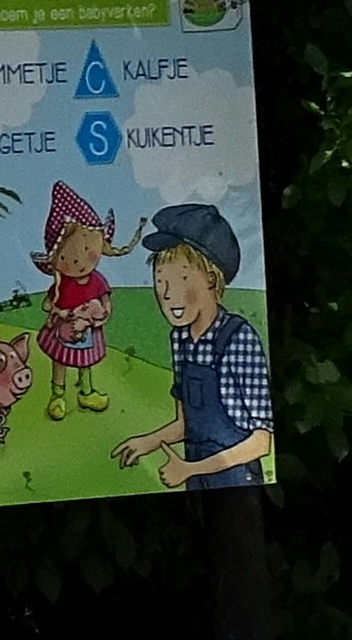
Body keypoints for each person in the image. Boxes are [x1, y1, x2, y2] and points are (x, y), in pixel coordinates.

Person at [112, 202, 271, 489]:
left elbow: (261, 441)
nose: (168, 294)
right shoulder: (180, 340)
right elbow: (186, 424)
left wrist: (190, 469)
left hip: (236, 479)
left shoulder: (239, 339)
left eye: (180, 279)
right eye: (160, 281)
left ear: (210, 279)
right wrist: (146, 442)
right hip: (194, 474)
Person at [12, 180, 126, 420]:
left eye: (88, 252)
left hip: (89, 331)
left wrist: (103, 315)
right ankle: (58, 396)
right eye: (70, 259)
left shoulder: (97, 281)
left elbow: (106, 301)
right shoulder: (61, 284)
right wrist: (59, 312)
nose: (80, 262)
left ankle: (86, 392)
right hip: (63, 331)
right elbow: (47, 305)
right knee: (61, 363)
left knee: (86, 363)